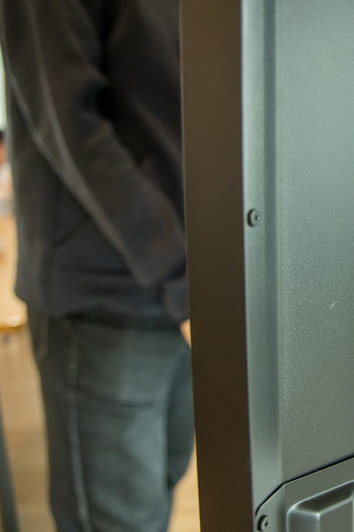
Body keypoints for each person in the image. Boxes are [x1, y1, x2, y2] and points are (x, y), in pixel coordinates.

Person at [0, 1, 193, 530]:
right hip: (106, 301)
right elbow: (72, 127)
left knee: (160, 486)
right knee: (119, 519)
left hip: (187, 290)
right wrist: (183, 278)